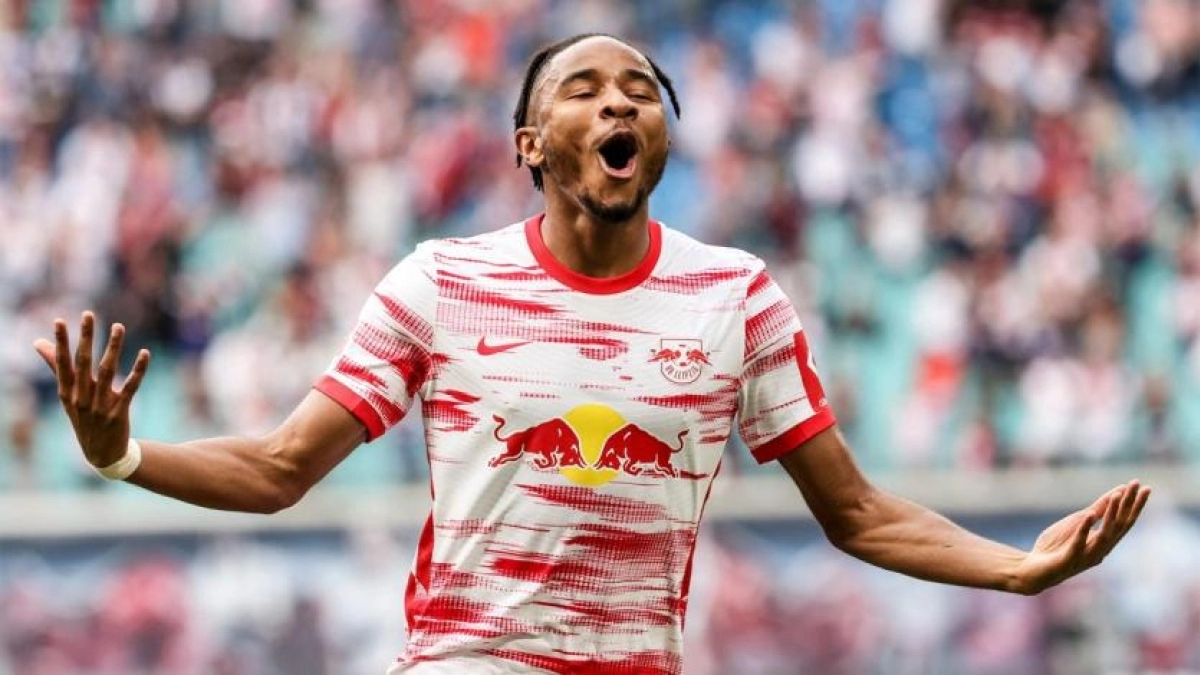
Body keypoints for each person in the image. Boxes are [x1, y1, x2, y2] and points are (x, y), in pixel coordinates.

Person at [35, 33, 1150, 675]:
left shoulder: (735, 297)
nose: (621, 101)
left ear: (658, 139)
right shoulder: (442, 281)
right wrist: (121, 455)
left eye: (641, 93)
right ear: (532, 144)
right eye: (585, 89)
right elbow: (282, 469)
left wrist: (1016, 568)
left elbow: (855, 514)